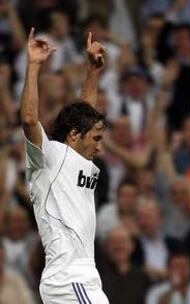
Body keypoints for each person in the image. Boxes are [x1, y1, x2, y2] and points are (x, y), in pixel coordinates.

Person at [21, 29, 109, 303]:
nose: (99, 146)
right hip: (68, 279)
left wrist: (92, 70)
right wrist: (34, 65)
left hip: (84, 277)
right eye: (96, 139)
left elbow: (84, 114)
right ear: (73, 135)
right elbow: (28, 118)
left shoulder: (77, 160)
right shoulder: (48, 158)